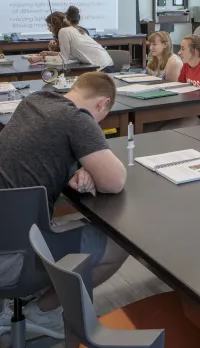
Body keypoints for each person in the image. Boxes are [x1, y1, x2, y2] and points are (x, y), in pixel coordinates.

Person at [0, 72, 128, 338]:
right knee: (120, 242)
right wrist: (94, 166)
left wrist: (84, 166)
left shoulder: (34, 101)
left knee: (61, 225)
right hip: (13, 261)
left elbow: (40, 153)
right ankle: (44, 313)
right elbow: (115, 182)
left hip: (6, 233)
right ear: (103, 104)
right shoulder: (77, 119)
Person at [29, 12, 114, 71]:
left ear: (55, 25)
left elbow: (63, 60)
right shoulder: (74, 29)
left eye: (49, 27)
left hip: (101, 68)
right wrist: (51, 53)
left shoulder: (63, 31)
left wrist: (42, 58)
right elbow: (73, 55)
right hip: (107, 64)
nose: (49, 30)